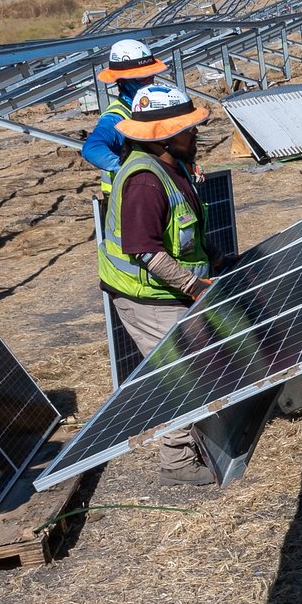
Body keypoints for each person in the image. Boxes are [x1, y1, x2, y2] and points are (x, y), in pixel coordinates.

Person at [97, 83, 218, 484]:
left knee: (198, 363)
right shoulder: (145, 181)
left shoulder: (173, 166)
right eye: (188, 128)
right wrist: (195, 287)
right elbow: (145, 251)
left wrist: (216, 258)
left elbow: (182, 234)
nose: (196, 133)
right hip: (145, 296)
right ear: (165, 136)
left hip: (169, 290)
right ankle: (177, 461)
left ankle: (201, 437)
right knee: (179, 373)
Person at [81, 38, 171, 191]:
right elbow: (91, 148)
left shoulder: (150, 106)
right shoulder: (117, 116)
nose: (149, 81)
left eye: (151, 75)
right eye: (142, 77)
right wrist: (128, 169)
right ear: (123, 80)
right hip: (130, 197)